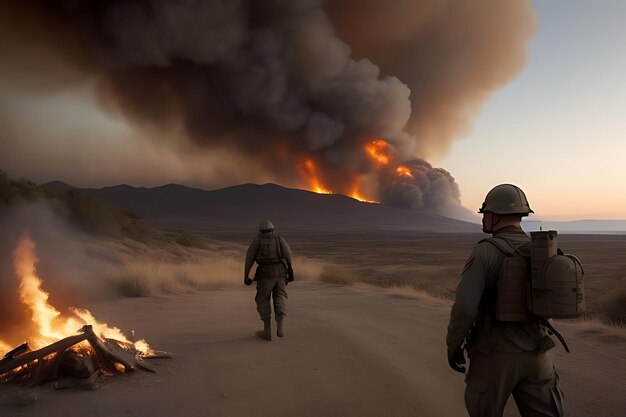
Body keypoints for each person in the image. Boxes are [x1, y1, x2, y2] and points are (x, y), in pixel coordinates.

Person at [446, 184, 564, 417]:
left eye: (485, 214)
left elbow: (465, 307)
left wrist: (453, 346)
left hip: (495, 352)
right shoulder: (539, 250)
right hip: (538, 352)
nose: (483, 220)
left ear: (494, 216)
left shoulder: (485, 251)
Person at [244, 220, 293, 341]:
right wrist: (290, 270)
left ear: (261, 231)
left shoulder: (257, 240)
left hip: (264, 273)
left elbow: (249, 258)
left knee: (262, 299)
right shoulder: (279, 239)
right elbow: (288, 254)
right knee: (280, 296)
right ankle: (280, 328)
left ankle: (267, 331)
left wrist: (246, 276)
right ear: (273, 230)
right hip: (280, 272)